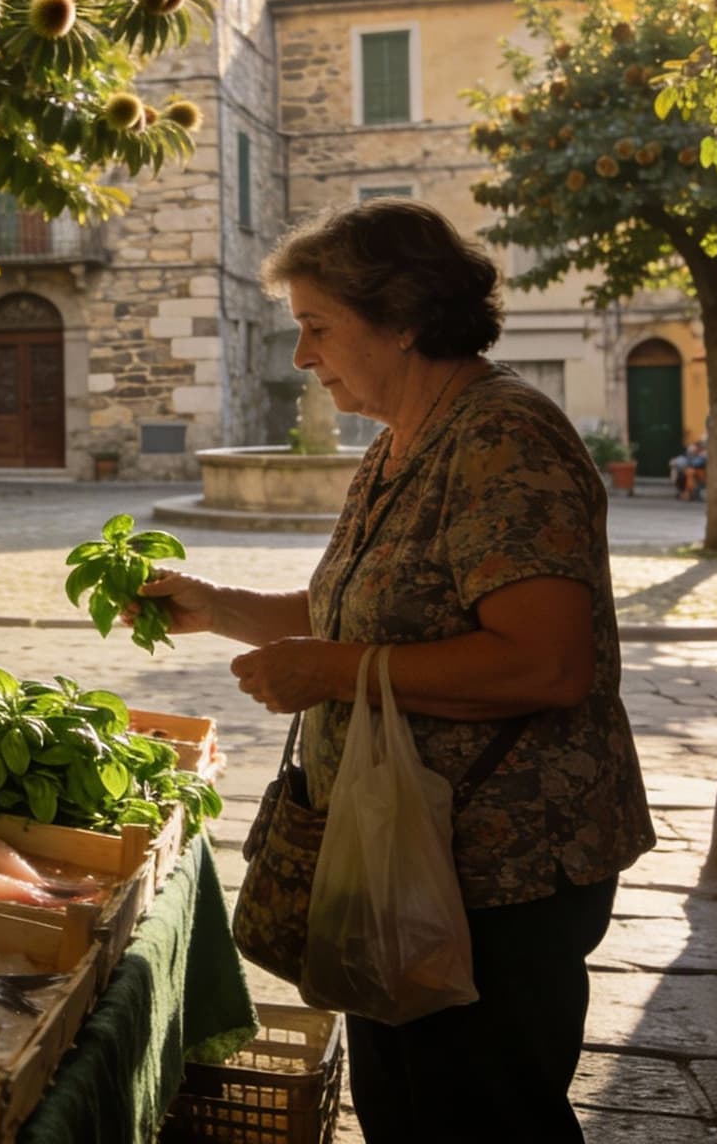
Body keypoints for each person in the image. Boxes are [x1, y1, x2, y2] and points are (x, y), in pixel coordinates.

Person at [138, 198, 653, 1143]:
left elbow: (548, 662)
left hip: (500, 872)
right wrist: (214, 606)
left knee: (485, 1119)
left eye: (319, 327)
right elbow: (359, 608)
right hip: (403, 862)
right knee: (404, 1110)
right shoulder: (400, 440)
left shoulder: (503, 437)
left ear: (404, 319)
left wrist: (335, 673)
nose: (303, 357)